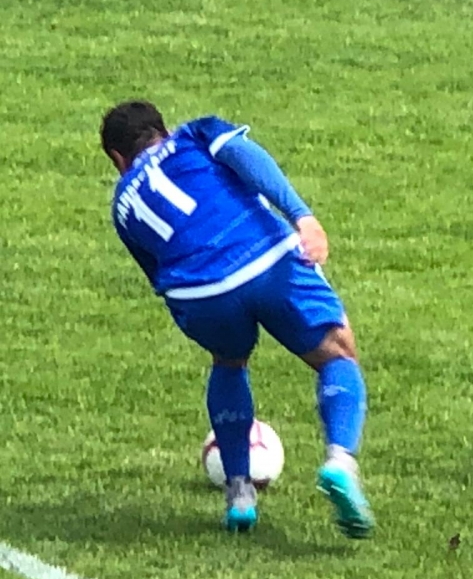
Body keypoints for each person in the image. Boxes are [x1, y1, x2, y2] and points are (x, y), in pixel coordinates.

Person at [103, 101, 374, 538]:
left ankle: (240, 494)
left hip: (197, 293)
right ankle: (340, 461)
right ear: (162, 130)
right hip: (263, 259)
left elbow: (156, 273)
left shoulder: (122, 204)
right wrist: (302, 217)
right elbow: (247, 156)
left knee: (228, 361)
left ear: (118, 159)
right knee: (337, 354)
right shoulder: (195, 134)